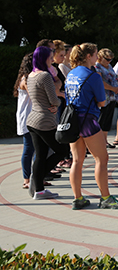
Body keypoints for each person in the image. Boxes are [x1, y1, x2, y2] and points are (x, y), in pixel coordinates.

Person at [65, 43, 118, 210]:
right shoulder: (93, 76)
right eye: (94, 55)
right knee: (102, 158)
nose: (96, 57)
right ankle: (105, 197)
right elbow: (102, 101)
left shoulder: (70, 74)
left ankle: (78, 198)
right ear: (88, 57)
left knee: (77, 160)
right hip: (88, 120)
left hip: (72, 121)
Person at [25, 46, 70, 199]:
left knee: (41, 154)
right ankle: (37, 179)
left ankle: (39, 190)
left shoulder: (30, 75)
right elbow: (54, 99)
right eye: (50, 57)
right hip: (45, 121)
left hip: (33, 119)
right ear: (43, 58)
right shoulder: (44, 76)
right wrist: (57, 102)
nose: (52, 60)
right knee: (62, 151)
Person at [14, 53, 34, 190]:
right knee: (28, 148)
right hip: (27, 118)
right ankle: (26, 178)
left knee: (36, 148)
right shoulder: (25, 79)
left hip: (33, 117)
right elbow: (34, 95)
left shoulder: (29, 77)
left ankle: (35, 178)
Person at [95, 48, 118, 149]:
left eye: (110, 59)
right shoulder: (97, 67)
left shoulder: (109, 66)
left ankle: (105, 140)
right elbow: (100, 81)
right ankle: (99, 141)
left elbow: (114, 76)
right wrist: (113, 88)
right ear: (100, 57)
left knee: (108, 120)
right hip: (104, 96)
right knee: (102, 119)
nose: (109, 61)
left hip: (112, 96)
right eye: (107, 59)